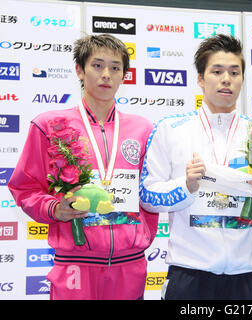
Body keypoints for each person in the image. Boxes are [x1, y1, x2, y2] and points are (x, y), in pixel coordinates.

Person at [8, 34, 159, 300]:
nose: (106, 75)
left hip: (130, 264)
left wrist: (141, 235)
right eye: (97, 65)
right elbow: (25, 187)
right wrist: (55, 209)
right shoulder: (50, 126)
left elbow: (152, 190)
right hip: (75, 264)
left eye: (115, 68)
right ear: (79, 70)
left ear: (124, 75)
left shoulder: (143, 129)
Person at [139, 34, 252, 300]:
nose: (226, 79)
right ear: (201, 79)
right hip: (189, 273)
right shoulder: (170, 129)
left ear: (242, 79)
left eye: (234, 72)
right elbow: (147, 196)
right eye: (217, 71)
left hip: (244, 276)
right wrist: (186, 186)